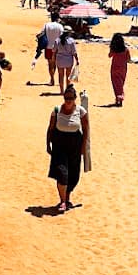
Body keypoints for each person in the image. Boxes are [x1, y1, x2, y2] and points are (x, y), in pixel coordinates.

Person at [46, 84, 89, 213]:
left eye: (71, 98)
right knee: (62, 173)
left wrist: (83, 147)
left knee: (74, 174)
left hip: (75, 144)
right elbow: (50, 128)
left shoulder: (81, 111)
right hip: (59, 144)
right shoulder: (57, 110)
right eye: (66, 98)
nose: (68, 100)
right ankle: (63, 201)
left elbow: (86, 130)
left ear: (75, 98)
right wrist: (48, 144)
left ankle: (67, 195)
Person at [108, 31, 130, 106]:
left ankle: (118, 98)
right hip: (123, 68)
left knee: (115, 83)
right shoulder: (126, 49)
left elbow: (109, 55)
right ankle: (119, 98)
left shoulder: (114, 49)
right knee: (121, 83)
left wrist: (111, 48)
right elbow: (128, 59)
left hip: (114, 67)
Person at [42, 16, 64, 86]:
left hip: (48, 47)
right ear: (57, 19)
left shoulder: (46, 25)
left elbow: (41, 34)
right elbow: (62, 36)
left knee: (50, 64)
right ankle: (60, 81)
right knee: (58, 65)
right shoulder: (60, 26)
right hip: (57, 48)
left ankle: (52, 79)